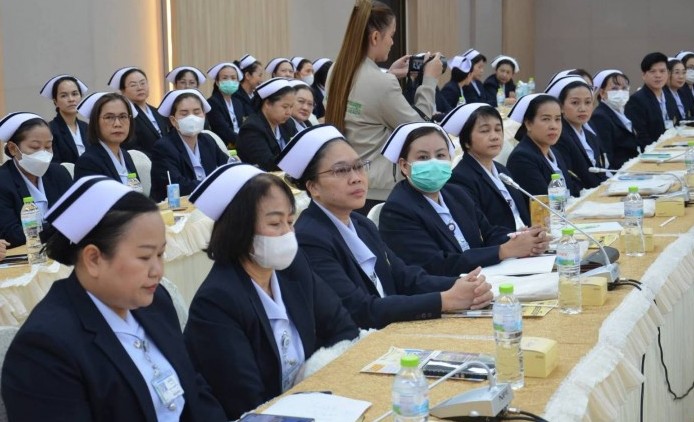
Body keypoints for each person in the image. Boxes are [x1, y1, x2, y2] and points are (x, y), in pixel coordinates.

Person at [1, 176, 227, 421]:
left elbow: (195, 391)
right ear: (93, 259)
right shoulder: (45, 349)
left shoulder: (155, 303)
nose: (158, 271)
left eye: (160, 254)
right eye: (144, 257)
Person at [183, 164, 359, 419]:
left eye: (290, 221)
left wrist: (312, 377)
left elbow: (343, 328)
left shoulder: (294, 269)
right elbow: (245, 401)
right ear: (239, 228)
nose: (287, 234)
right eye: (275, 223)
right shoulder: (217, 302)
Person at [277, 124, 493, 329]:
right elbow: (358, 309)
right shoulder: (310, 238)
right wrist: (444, 300)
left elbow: (405, 277)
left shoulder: (361, 223)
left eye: (359, 167)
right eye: (341, 171)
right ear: (313, 187)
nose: (356, 178)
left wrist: (464, 284)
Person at [378, 121, 547, 276]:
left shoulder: (456, 193)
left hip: (484, 277)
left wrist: (522, 239)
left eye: (441, 155)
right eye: (423, 157)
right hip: (449, 290)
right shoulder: (398, 209)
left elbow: (489, 233)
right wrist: (504, 250)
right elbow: (436, 265)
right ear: (404, 165)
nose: (434, 163)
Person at [324, 0, 443, 210]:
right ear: (375, 37)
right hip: (378, 190)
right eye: (391, 35)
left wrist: (389, 75)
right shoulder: (381, 83)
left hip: (346, 181)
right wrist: (429, 81)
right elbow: (419, 131)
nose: (392, 42)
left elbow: (365, 104)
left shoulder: (337, 70)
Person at [443, 103, 530, 230]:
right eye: (485, 131)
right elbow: (481, 230)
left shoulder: (502, 170)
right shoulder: (460, 178)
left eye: (498, 129)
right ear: (466, 141)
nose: (495, 137)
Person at [0, 112, 72, 247]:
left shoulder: (59, 173)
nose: (43, 153)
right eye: (35, 147)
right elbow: (12, 235)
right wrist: (59, 226)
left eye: (48, 146)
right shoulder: (3, 181)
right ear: (13, 148)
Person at [150, 89, 229, 202]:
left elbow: (227, 166)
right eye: (184, 113)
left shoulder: (207, 140)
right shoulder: (163, 147)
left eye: (197, 112)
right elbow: (178, 184)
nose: (192, 118)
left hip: (209, 201)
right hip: (175, 207)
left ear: (204, 116)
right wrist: (213, 185)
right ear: (173, 120)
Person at [506, 93, 577, 201]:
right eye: (546, 119)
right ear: (528, 124)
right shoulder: (522, 158)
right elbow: (544, 203)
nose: (554, 126)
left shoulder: (554, 152)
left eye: (557, 119)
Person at [545, 75, 607, 191]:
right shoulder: (560, 137)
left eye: (588, 102)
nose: (583, 108)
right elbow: (570, 179)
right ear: (561, 107)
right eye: (575, 103)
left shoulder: (590, 136)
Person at [74, 92, 140, 184]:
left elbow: (136, 188)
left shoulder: (126, 156)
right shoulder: (88, 163)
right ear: (95, 122)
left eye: (123, 116)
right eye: (109, 117)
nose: (117, 124)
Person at [236, 78, 297, 171]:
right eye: (285, 107)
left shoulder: (288, 123)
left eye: (291, 107)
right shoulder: (252, 128)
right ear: (268, 103)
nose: (289, 112)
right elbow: (268, 164)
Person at [108, 67, 171, 157]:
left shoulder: (158, 112)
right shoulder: (125, 115)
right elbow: (131, 148)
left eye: (143, 83)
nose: (140, 88)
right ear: (123, 91)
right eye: (133, 85)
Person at [625, 52, 680, 148]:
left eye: (662, 71)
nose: (658, 75)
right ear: (643, 75)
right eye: (652, 71)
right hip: (652, 152)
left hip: (672, 147)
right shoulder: (636, 100)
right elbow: (641, 137)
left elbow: (676, 123)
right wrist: (663, 148)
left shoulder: (669, 96)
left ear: (668, 73)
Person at [589, 69, 640, 170]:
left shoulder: (622, 111)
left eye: (624, 88)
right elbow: (608, 155)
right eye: (614, 89)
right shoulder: (600, 117)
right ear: (602, 93)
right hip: (621, 171)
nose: (620, 92)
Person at [40, 74, 89, 164]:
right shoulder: (50, 130)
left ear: (81, 97)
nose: (71, 99)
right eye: (64, 96)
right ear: (55, 102)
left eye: (74, 94)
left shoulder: (87, 128)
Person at [205, 62, 245, 148]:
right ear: (217, 82)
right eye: (225, 78)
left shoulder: (238, 103)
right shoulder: (212, 102)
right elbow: (223, 130)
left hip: (240, 144)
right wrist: (244, 141)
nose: (229, 81)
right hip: (223, 146)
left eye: (233, 78)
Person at [233, 54, 265, 123]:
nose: (262, 80)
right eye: (259, 75)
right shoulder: (236, 96)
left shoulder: (257, 95)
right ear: (247, 75)